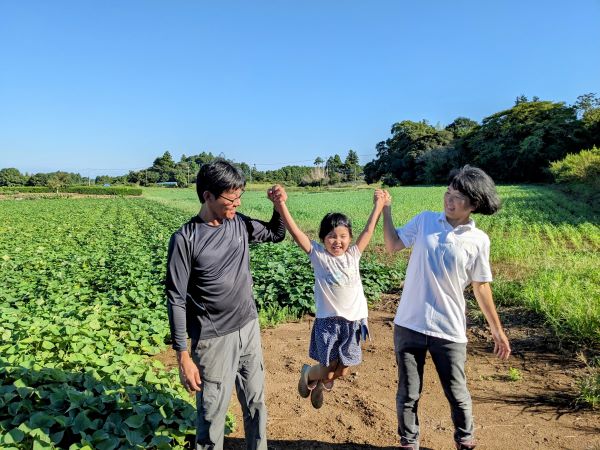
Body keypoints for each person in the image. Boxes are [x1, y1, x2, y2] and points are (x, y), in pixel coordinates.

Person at [382, 165, 511, 450]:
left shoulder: (478, 240)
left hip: (449, 328)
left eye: (457, 197)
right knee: (408, 392)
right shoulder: (425, 221)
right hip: (409, 323)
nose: (448, 200)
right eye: (447, 193)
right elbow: (392, 244)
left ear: (473, 205)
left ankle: (465, 440)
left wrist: (497, 330)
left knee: (456, 391)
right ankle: (408, 442)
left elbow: (481, 286)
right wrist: (385, 209)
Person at [165, 159, 286, 450]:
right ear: (207, 196)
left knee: (256, 403)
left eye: (239, 197)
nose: (237, 203)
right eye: (231, 198)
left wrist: (279, 206)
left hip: (249, 327)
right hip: (213, 339)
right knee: (211, 416)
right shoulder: (186, 239)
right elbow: (176, 298)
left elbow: (276, 233)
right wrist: (183, 355)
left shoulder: (239, 223)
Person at [269, 186, 386, 409]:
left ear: (350, 238)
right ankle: (310, 375)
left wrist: (378, 205)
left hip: (353, 324)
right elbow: (296, 233)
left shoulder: (353, 255)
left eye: (343, 236)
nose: (337, 241)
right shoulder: (319, 256)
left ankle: (319, 382)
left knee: (343, 370)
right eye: (331, 236)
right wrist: (281, 204)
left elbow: (369, 231)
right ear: (323, 238)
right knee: (327, 367)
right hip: (329, 323)